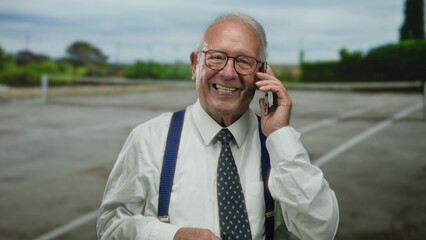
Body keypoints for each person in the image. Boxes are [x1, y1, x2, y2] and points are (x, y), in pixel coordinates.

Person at [97, 12, 339, 240]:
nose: (228, 72)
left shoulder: (279, 147)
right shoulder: (149, 138)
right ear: (195, 65)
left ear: (262, 74)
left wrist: (280, 135)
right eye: (216, 57)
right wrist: (171, 236)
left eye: (244, 62)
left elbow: (320, 231)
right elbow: (111, 227)